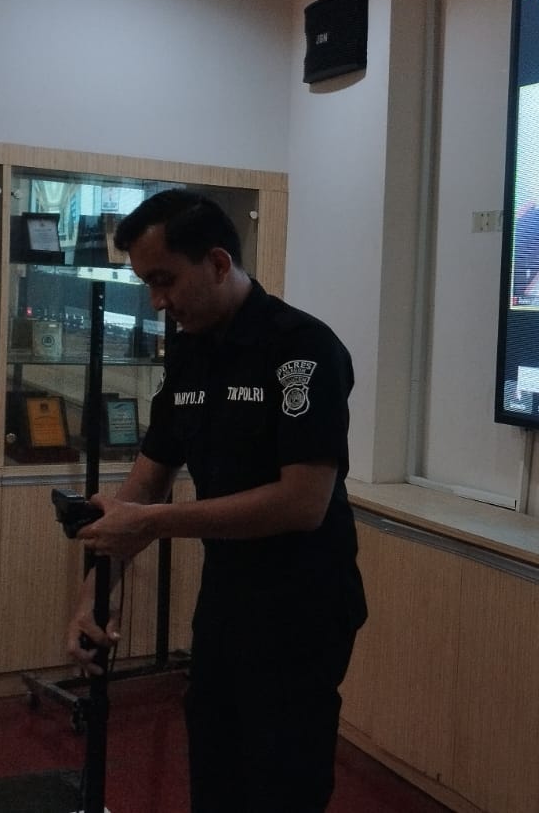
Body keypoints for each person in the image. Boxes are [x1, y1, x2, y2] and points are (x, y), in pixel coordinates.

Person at [66, 189, 367, 813]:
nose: (157, 301)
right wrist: (98, 590)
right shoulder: (190, 350)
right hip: (226, 603)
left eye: (165, 280)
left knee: (279, 789)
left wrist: (152, 523)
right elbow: (148, 478)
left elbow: (302, 501)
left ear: (219, 262)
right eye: (147, 284)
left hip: (303, 611)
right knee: (216, 779)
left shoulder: (302, 348)